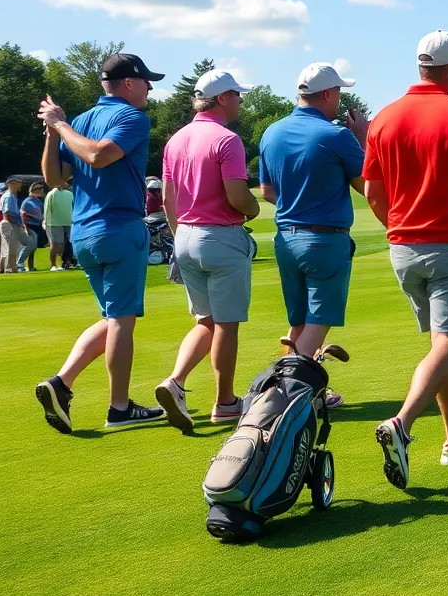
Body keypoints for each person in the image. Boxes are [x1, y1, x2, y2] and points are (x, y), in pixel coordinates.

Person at [364, 30, 448, 490]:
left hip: (403, 249)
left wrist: (399, 228)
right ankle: (402, 424)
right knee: (447, 346)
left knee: (442, 345)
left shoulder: (383, 119)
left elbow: (373, 192)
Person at [35, 52, 168, 433]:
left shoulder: (79, 121)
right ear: (128, 83)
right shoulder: (132, 117)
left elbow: (55, 177)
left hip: (85, 233)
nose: (149, 88)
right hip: (119, 228)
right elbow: (96, 156)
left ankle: (61, 383)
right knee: (122, 321)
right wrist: (57, 128)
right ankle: (119, 408)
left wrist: (57, 129)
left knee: (111, 318)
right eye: (145, 81)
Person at [155, 70, 261, 434]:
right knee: (226, 325)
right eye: (236, 95)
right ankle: (225, 402)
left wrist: (179, 237)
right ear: (221, 99)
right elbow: (237, 195)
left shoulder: (175, 140)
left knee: (205, 321)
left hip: (184, 235)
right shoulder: (227, 139)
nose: (240, 100)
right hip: (220, 237)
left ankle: (175, 380)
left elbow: (168, 198)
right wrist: (253, 210)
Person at [259, 62, 368, 405]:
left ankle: (305, 391)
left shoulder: (271, 132)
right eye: (339, 93)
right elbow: (366, 185)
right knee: (319, 321)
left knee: (300, 323)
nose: (340, 99)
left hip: (286, 238)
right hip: (324, 239)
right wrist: (363, 138)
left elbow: (267, 191)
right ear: (327, 94)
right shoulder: (337, 136)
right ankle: (284, 395)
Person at [0, 177, 27, 274]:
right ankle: (10, 268)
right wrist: (14, 224)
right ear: (12, 184)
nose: (20, 184)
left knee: (6, 247)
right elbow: (6, 213)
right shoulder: (9, 196)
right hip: (10, 223)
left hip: (8, 222)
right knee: (11, 247)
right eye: (18, 183)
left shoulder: (8, 195)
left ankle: (3, 268)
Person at [44, 180, 74, 270]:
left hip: (68, 222)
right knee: (55, 244)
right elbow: (47, 209)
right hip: (54, 223)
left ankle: (61, 264)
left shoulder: (69, 194)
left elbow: (73, 207)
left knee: (62, 244)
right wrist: (46, 223)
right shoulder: (51, 194)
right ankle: (53, 265)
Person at [19, 181, 47, 272]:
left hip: (38, 226)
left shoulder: (38, 201)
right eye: (40, 189)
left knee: (35, 247)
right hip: (30, 226)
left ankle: (31, 266)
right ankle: (20, 263)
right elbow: (23, 215)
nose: (41, 191)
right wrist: (25, 227)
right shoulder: (27, 202)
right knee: (32, 245)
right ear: (35, 190)